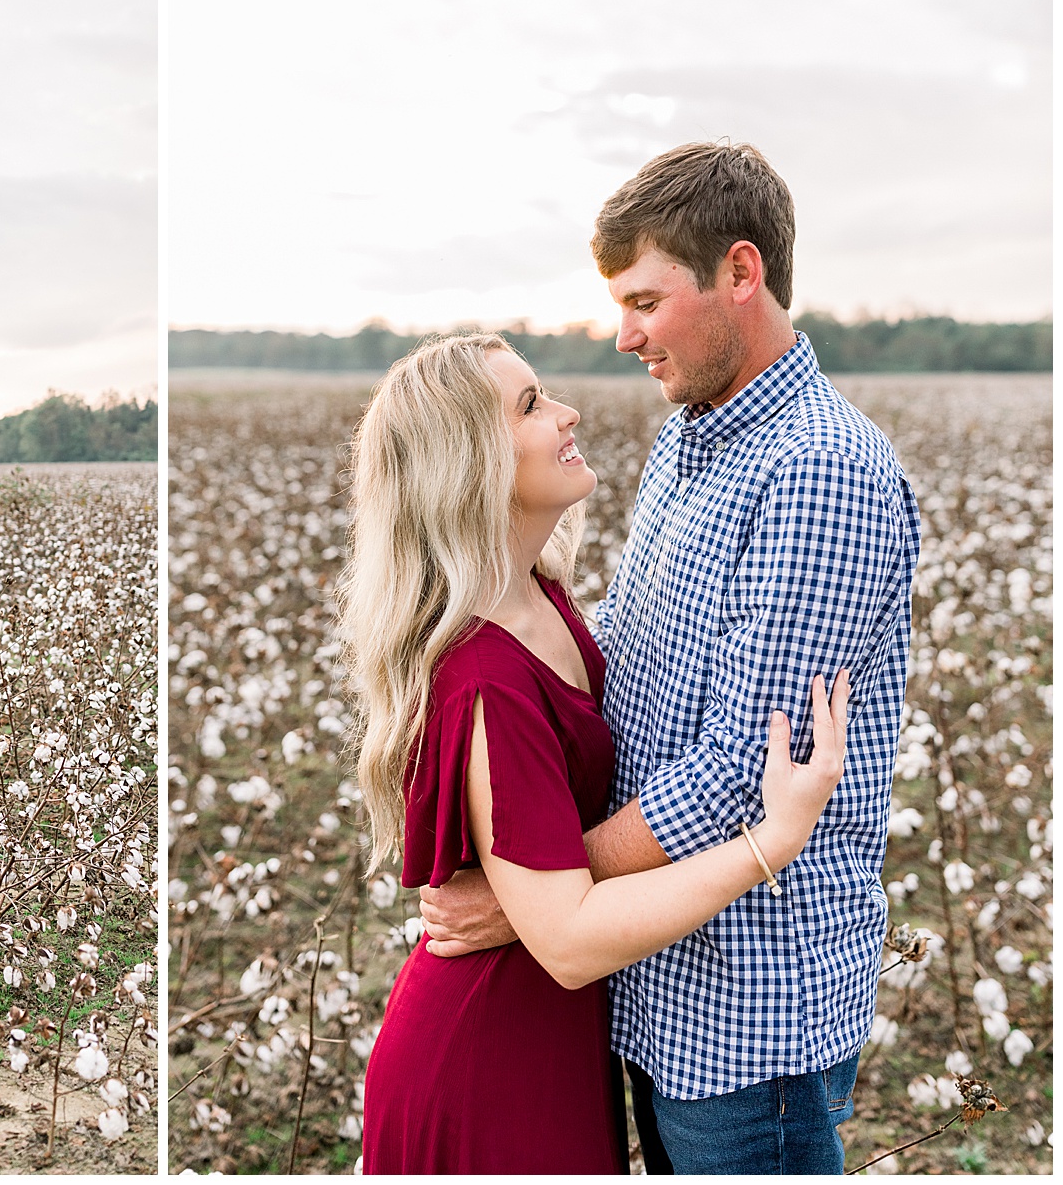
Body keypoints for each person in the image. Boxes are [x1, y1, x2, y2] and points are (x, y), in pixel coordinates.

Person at [419, 142, 922, 1173]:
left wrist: (535, 895)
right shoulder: (692, 435)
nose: (624, 335)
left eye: (645, 300)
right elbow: (642, 686)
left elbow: (749, 766)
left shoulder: (819, 471)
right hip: (655, 983)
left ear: (741, 274)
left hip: (749, 1015)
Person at [347, 333, 849, 1173]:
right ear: (469, 462)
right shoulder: (484, 681)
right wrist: (772, 841)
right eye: (531, 404)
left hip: (546, 1041)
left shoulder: (538, 597)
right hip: (488, 1064)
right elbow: (572, 940)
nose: (566, 411)